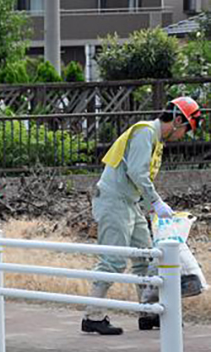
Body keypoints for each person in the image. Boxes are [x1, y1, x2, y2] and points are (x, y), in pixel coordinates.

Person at [82, 96, 202, 335]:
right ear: (178, 120)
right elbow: (138, 172)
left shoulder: (155, 139)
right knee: (113, 261)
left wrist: (150, 205)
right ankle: (92, 316)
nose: (183, 136)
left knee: (145, 257)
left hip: (129, 202)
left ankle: (147, 313)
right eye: (186, 130)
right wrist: (156, 202)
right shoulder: (146, 133)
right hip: (113, 200)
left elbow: (136, 177)